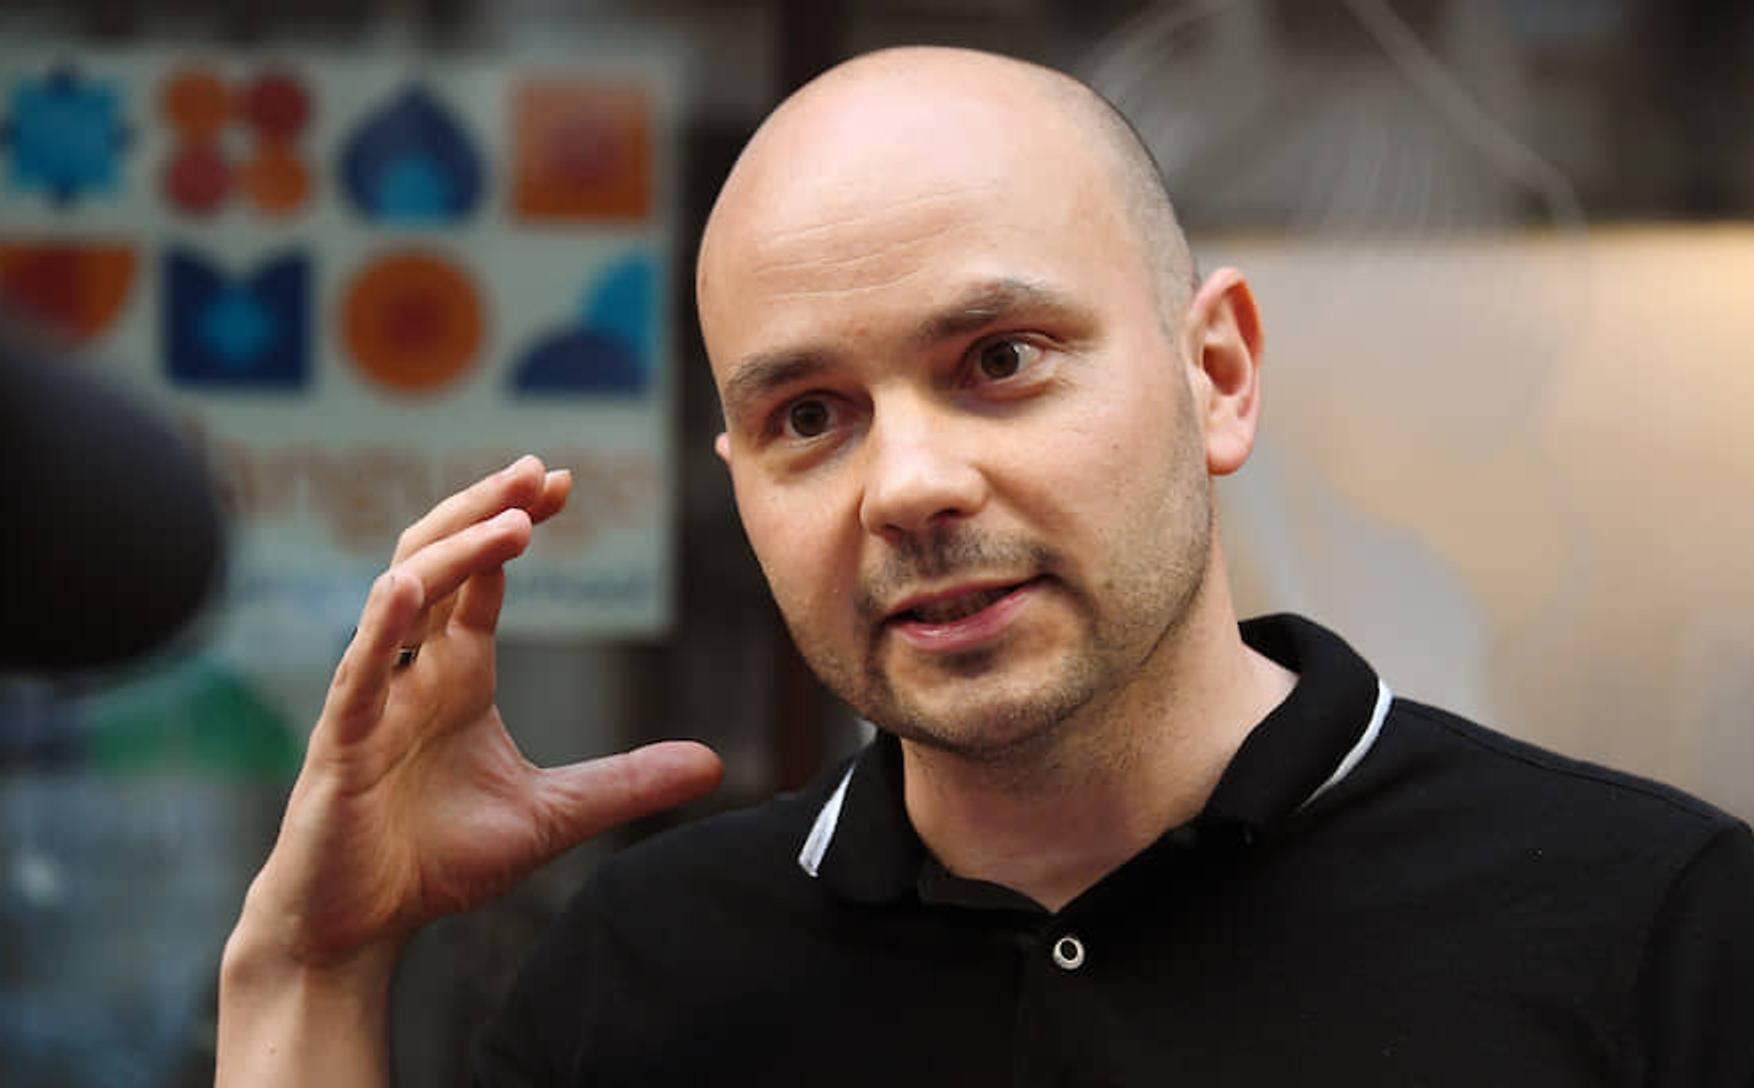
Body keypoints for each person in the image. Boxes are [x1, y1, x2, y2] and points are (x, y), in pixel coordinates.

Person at [216, 46, 1754, 1085]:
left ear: (1215, 375)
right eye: (808, 416)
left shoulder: (1652, 937)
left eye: (1000, 359)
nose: (909, 487)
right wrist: (313, 965)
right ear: (739, 482)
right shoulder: (642, 979)